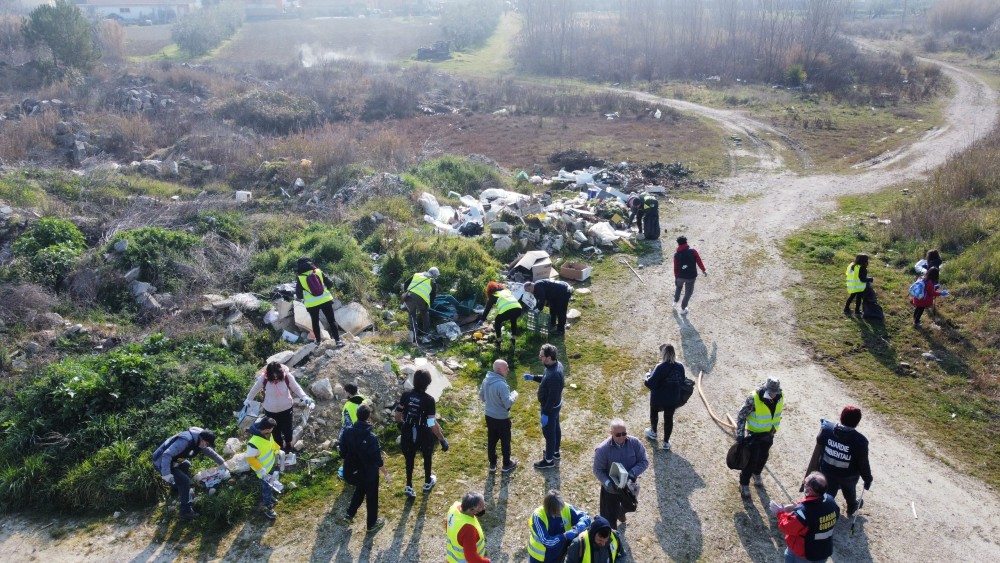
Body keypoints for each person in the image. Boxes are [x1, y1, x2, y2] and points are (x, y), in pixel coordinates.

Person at [806, 406, 873, 517]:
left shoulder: (827, 429)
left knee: (828, 493)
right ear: (857, 422)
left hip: (827, 471)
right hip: (848, 476)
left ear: (841, 417)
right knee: (850, 492)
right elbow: (863, 463)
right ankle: (851, 507)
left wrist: (826, 427)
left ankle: (825, 510)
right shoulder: (860, 441)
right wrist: (867, 478)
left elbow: (819, 440)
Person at [152, 427, 227, 520]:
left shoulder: (200, 441)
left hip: (174, 461)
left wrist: (223, 463)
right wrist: (166, 474)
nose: (206, 446)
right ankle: (185, 512)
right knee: (184, 481)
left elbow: (210, 452)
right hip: (161, 462)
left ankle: (176, 487)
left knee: (186, 464)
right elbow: (167, 454)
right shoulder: (186, 440)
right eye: (206, 443)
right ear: (202, 439)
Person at [395, 368, 449, 498]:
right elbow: (431, 423)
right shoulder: (429, 400)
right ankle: (427, 481)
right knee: (427, 456)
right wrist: (441, 439)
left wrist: (401, 425)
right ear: (428, 382)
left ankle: (409, 485)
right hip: (423, 433)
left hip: (407, 431)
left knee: (409, 458)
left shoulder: (405, 395)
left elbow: (397, 414)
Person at [338, 404, 389, 533]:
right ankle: (372, 524)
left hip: (352, 472)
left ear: (357, 415)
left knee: (360, 490)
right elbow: (377, 460)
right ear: (369, 417)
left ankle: (349, 514)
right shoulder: (371, 438)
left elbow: (342, 452)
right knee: (372, 497)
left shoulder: (347, 432)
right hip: (369, 474)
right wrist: (386, 474)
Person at [244, 361, 314, 452]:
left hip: (286, 408)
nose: (275, 377)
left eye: (277, 374)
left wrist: (304, 397)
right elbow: (255, 389)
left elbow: (296, 388)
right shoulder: (263, 378)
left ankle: (288, 444)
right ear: (268, 374)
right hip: (270, 410)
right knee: (275, 431)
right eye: (273, 376)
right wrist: (248, 399)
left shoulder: (287, 376)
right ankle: (279, 446)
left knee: (287, 429)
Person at [771, 472, 840, 563]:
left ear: (810, 490)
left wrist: (780, 513)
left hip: (803, 554)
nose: (803, 484)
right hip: (823, 551)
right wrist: (798, 507)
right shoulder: (831, 501)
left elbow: (786, 527)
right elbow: (833, 516)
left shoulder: (804, 513)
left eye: (805, 483)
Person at [592, 418, 649, 530]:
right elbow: (598, 470)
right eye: (618, 435)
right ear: (611, 433)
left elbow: (644, 461)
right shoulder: (603, 449)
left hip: (629, 485)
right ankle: (613, 539)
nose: (622, 437)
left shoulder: (635, 443)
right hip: (611, 489)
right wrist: (608, 483)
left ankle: (620, 513)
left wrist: (632, 474)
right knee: (608, 519)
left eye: (624, 433)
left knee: (631, 506)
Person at [735, 377, 784, 498]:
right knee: (751, 460)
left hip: (769, 434)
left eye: (775, 393)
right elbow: (741, 415)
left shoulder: (780, 395)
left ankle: (757, 473)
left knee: (763, 456)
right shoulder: (754, 398)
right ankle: (744, 484)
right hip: (754, 436)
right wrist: (740, 435)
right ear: (766, 389)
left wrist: (772, 431)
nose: (773, 395)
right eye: (771, 392)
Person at [523, 344, 564, 470]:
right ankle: (555, 452)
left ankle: (549, 461)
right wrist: (534, 377)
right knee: (556, 428)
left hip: (550, 408)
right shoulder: (555, 365)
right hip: (555, 406)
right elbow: (546, 379)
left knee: (549, 434)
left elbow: (552, 397)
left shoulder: (554, 375)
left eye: (541, 356)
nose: (540, 358)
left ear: (549, 357)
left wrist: (545, 413)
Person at [528, 489, 592, 563]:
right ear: (549, 509)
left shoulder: (565, 508)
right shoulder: (538, 516)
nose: (560, 513)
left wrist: (583, 522)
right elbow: (546, 541)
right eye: (557, 511)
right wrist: (564, 536)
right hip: (539, 558)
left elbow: (585, 516)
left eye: (560, 509)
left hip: (559, 555)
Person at [479, 359, 519, 473]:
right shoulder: (502, 385)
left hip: (489, 416)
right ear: (499, 370)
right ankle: (507, 464)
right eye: (506, 367)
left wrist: (491, 402)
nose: (508, 369)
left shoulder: (486, 380)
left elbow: (481, 396)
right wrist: (514, 395)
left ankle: (492, 464)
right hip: (501, 419)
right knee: (505, 441)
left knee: (492, 440)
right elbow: (507, 404)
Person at [643, 343, 684, 451]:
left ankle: (653, 432)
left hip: (658, 398)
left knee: (654, 413)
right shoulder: (680, 366)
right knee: (669, 419)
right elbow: (682, 381)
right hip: (672, 399)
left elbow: (650, 383)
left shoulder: (660, 367)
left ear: (663, 354)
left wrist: (647, 375)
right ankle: (666, 442)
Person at [295, 256, 344, 346]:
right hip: (325, 300)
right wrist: (323, 288)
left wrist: (308, 293)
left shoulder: (300, 278)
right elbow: (330, 283)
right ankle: (338, 341)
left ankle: (318, 341)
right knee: (331, 321)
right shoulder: (318, 271)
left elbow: (299, 295)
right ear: (310, 263)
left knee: (315, 322)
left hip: (312, 304)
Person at [246, 417, 281, 520]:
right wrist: (261, 470)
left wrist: (278, 450)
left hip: (270, 466)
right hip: (263, 471)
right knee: (266, 488)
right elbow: (250, 458)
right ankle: (267, 507)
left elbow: (271, 444)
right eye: (272, 429)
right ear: (267, 429)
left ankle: (269, 497)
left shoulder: (268, 434)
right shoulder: (253, 443)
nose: (272, 430)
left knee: (270, 485)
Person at [446, 492, 490, 563]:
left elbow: (447, 524)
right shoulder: (468, 529)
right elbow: (471, 558)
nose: (483, 509)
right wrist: (487, 561)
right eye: (480, 508)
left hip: (451, 559)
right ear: (471, 510)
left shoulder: (454, 507)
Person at [403, 266, 439, 341]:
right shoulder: (432, 281)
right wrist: (429, 305)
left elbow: (406, 283)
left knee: (412, 316)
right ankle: (427, 333)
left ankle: (413, 337)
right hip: (422, 299)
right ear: (435, 275)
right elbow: (433, 296)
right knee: (425, 313)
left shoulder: (417, 274)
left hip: (409, 297)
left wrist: (405, 292)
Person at [673, 236, 707, 314]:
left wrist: (676, 278)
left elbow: (675, 268)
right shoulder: (693, 251)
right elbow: (699, 261)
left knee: (679, 287)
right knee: (688, 292)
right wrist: (703, 270)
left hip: (680, 276)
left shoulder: (676, 255)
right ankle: (683, 308)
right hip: (690, 277)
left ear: (678, 244)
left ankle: (675, 301)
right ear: (686, 242)